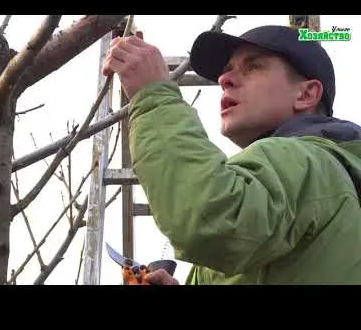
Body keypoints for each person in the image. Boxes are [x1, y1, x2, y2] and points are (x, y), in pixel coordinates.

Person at [102, 23, 361, 285]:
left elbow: (212, 220)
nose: (224, 80)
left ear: (306, 94)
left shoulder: (309, 163)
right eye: (226, 72)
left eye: (253, 66)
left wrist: (154, 96)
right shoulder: (289, 190)